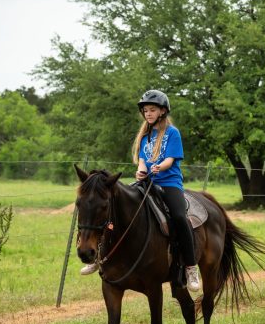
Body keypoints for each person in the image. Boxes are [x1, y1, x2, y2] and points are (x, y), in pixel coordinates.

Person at [80, 90, 201, 290]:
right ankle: (98, 258)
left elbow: (170, 160)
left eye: (152, 110)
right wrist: (140, 172)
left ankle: (190, 267)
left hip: (169, 183)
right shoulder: (145, 136)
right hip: (147, 183)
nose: (148, 114)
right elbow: (143, 161)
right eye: (145, 111)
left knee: (180, 217)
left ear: (162, 111)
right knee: (115, 213)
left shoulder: (172, 133)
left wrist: (160, 167)